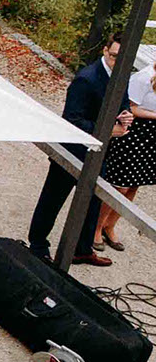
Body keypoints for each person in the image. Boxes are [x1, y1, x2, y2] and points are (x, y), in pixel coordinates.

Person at [30, 38, 120, 267]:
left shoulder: (120, 75)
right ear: (105, 50)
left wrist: (125, 114)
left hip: (98, 152)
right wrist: (107, 129)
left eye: (121, 58)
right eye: (113, 55)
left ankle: (81, 248)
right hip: (72, 149)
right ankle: (38, 245)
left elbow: (123, 101)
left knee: (93, 200)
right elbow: (72, 120)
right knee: (53, 198)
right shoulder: (86, 79)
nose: (116, 61)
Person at [94, 46, 156, 255]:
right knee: (119, 185)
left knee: (133, 186)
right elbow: (130, 107)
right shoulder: (144, 77)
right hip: (135, 134)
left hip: (151, 138)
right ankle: (96, 227)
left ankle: (110, 225)